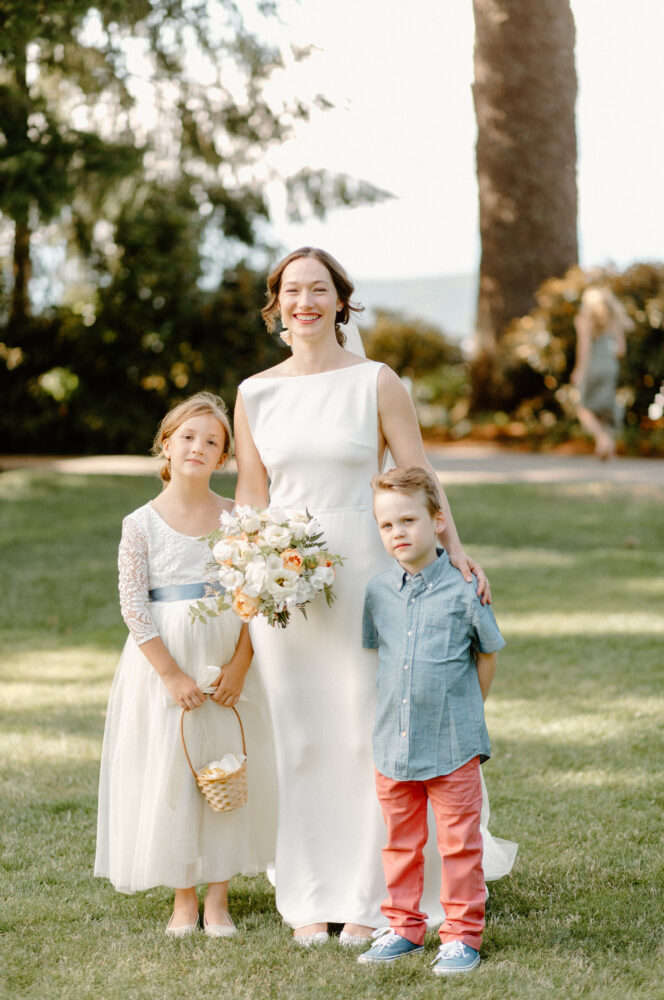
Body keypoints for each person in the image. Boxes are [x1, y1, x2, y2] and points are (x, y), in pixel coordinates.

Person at [233, 246, 516, 946]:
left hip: (368, 575)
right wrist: (247, 566)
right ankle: (307, 893)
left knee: (370, 731)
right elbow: (251, 495)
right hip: (285, 588)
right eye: (291, 290)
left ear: (340, 300)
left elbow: (417, 475)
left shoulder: (375, 381)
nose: (305, 301)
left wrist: (453, 549)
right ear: (276, 306)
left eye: (318, 289)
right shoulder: (254, 393)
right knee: (300, 735)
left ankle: (368, 897)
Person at [95, 392, 276, 936]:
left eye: (213, 441)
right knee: (174, 766)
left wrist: (241, 664)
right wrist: (170, 674)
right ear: (166, 445)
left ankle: (218, 897)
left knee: (227, 765)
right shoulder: (140, 523)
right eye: (188, 437)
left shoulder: (238, 518)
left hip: (225, 655)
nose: (199, 447)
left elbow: (255, 596)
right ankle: (183, 899)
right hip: (166, 661)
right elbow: (132, 604)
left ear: (224, 457)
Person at [358, 467, 505, 976]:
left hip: (453, 743)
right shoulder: (378, 593)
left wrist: (465, 707)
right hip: (393, 745)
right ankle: (403, 927)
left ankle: (462, 936)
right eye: (386, 525)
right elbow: (383, 658)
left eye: (408, 520)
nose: (397, 532)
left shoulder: (467, 589)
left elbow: (487, 656)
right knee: (400, 842)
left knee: (459, 843)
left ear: (437, 520)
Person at [571, 286, 631, 459]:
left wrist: (579, 370)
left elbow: (584, 346)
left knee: (583, 408)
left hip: (592, 366)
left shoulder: (584, 319)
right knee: (605, 408)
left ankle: (602, 438)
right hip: (610, 366)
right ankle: (608, 449)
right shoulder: (614, 320)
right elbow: (621, 350)